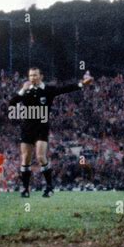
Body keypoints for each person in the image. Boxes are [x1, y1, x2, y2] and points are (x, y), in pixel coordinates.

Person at [9, 67, 94, 198]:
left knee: (40, 156)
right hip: (26, 127)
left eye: (35, 75)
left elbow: (65, 89)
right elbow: (12, 103)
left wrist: (82, 84)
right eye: (31, 76)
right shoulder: (26, 91)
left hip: (41, 127)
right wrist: (22, 90)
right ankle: (25, 189)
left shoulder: (48, 90)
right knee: (25, 159)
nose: (33, 78)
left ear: (41, 76)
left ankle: (49, 187)